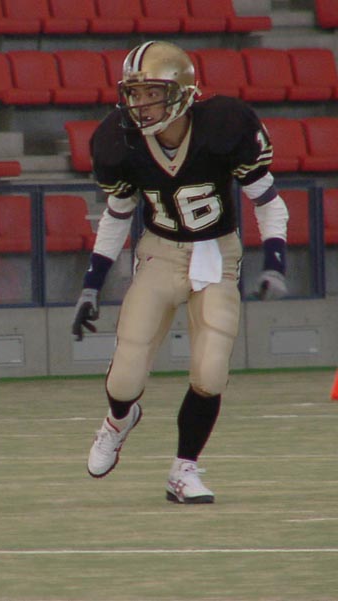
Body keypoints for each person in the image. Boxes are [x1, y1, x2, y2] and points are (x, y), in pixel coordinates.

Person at [72, 41, 289, 504]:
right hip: (160, 253)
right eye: (134, 93)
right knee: (125, 375)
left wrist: (275, 262)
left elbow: (268, 202)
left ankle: (183, 470)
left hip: (216, 252)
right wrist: (91, 285)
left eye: (152, 93)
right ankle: (118, 421)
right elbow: (116, 214)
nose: (141, 104)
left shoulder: (225, 126)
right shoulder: (119, 141)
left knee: (210, 372)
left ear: (183, 93)